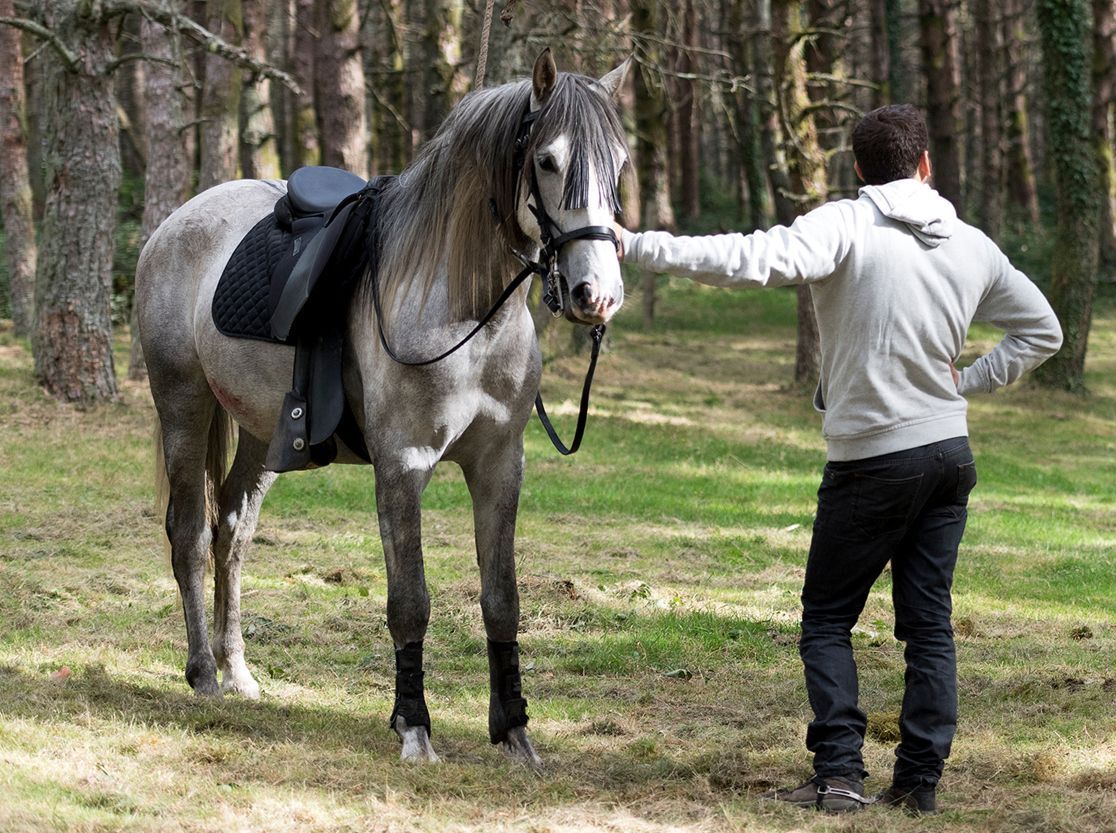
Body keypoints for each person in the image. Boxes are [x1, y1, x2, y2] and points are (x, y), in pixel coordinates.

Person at [615, 104, 1063, 814]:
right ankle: (918, 782)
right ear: (925, 164)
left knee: (826, 618)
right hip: (948, 455)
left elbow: (747, 257)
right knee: (929, 626)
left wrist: (635, 245)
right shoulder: (973, 243)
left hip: (873, 461)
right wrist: (968, 380)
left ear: (858, 167)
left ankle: (840, 775)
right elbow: (1042, 329)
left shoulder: (844, 224)